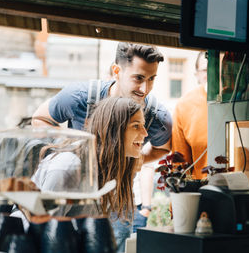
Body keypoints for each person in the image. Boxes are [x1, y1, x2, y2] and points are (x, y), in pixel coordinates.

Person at [31, 42, 172, 249]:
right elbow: (39, 119)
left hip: (115, 195)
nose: (145, 89)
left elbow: (163, 148)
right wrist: (81, 152)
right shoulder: (79, 97)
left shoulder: (158, 116)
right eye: (138, 78)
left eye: (151, 79)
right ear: (117, 71)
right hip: (75, 192)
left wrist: (135, 158)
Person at [31, 97, 147, 223]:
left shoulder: (107, 168)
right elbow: (43, 226)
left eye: (143, 125)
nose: (145, 133)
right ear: (112, 130)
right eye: (136, 126)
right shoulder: (69, 166)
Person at [171, 51, 208, 179]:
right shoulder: (184, 105)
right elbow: (180, 166)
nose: (214, 73)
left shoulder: (246, 100)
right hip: (203, 194)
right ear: (197, 75)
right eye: (205, 70)